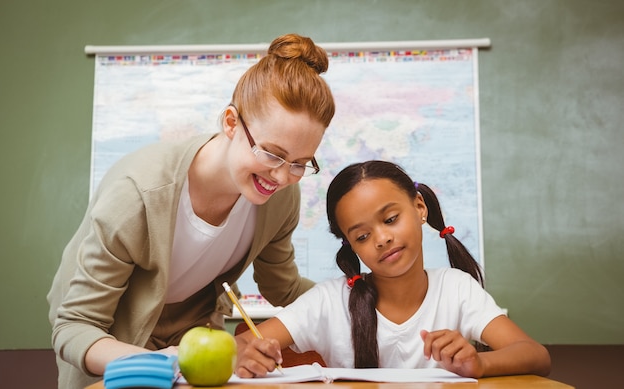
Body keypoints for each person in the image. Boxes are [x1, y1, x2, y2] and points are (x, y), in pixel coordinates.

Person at [47, 33, 335, 388]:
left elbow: (283, 288)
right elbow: (75, 326)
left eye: (300, 163)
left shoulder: (279, 198)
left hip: (193, 336)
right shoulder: (138, 194)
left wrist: (360, 297)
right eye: (272, 154)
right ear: (231, 123)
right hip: (111, 339)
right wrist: (172, 359)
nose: (281, 176)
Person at [235, 160, 551, 379]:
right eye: (362, 236)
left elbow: (535, 355)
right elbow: (242, 344)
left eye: (390, 220)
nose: (383, 239)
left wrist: (477, 363)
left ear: (419, 208)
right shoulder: (330, 301)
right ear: (351, 245)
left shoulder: (456, 288)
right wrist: (245, 353)